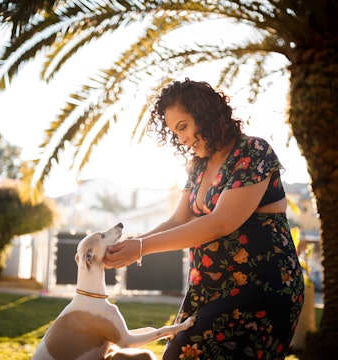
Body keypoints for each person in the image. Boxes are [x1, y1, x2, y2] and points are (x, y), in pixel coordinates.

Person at [105, 78, 304, 360]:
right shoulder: (197, 166)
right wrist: (133, 244)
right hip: (209, 291)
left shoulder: (253, 152)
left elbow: (221, 222)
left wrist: (141, 249)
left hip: (261, 290)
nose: (182, 139)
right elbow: (178, 221)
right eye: (176, 132)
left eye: (183, 126)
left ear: (207, 114)